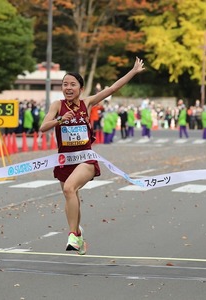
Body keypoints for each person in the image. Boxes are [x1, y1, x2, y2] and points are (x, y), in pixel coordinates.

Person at [39, 57, 145, 255]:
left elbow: (112, 89)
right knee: (71, 195)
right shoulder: (57, 105)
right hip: (65, 160)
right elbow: (43, 127)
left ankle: (72, 235)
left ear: (80, 88)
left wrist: (133, 72)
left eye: (72, 84)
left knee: (70, 188)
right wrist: (60, 120)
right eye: (65, 84)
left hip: (85, 158)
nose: (68, 88)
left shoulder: (87, 103)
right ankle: (78, 235)